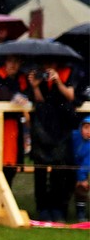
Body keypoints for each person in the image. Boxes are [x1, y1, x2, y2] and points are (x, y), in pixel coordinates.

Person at [26, 63, 79, 221]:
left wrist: (58, 82)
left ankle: (57, 208)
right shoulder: (38, 74)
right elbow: (40, 101)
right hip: (42, 126)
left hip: (61, 126)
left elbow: (71, 96)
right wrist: (35, 86)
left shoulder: (68, 72)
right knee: (40, 170)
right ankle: (42, 208)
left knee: (59, 169)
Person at [0, 55, 29, 184]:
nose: (13, 65)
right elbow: (3, 94)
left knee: (12, 164)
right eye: (10, 61)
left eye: (17, 61)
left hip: (15, 124)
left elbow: (28, 93)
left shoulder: (21, 78)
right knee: (0, 163)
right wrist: (17, 98)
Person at [72, 115, 90, 222]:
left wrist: (81, 178)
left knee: (82, 188)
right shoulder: (74, 137)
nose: (88, 131)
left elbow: (86, 164)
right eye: (86, 127)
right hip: (69, 169)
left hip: (82, 171)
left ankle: (81, 213)